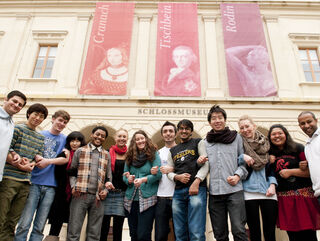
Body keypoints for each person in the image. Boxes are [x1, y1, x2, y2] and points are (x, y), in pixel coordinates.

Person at [15, 110, 71, 241]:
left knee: (40, 225)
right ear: (53, 119)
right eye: (60, 120)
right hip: (34, 182)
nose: (61, 124)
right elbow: (30, 152)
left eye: (64, 122)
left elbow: (66, 159)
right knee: (25, 222)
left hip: (51, 186)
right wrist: (36, 157)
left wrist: (48, 161)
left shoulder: (64, 139)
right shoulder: (40, 135)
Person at [0, 103, 47, 241]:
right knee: (1, 216)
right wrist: (21, 164)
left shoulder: (40, 138)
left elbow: (36, 157)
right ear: (29, 114)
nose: (37, 118)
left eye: (41, 116)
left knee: (12, 221)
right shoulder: (16, 129)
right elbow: (5, 150)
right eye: (35, 114)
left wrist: (31, 164)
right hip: (9, 179)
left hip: (26, 182)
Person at [203, 105, 248, 241]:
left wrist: (237, 175)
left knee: (239, 230)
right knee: (219, 234)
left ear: (225, 120)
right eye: (214, 118)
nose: (217, 121)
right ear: (210, 122)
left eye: (220, 118)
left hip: (234, 191)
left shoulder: (237, 138)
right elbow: (203, 166)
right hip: (215, 194)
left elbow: (244, 162)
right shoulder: (205, 142)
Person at [268, 124, 320, 241]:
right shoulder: (269, 153)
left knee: (308, 234)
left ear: (285, 134)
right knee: (292, 235)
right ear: (269, 137)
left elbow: (310, 171)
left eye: (280, 133)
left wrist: (291, 172)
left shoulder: (298, 148)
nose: (277, 136)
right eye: (273, 134)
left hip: (303, 197)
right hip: (283, 199)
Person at [167, 119, 209, 241]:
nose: (184, 131)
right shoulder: (173, 150)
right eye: (181, 128)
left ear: (191, 131)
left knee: (196, 231)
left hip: (196, 190)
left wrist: (196, 182)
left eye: (187, 129)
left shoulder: (198, 142)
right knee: (179, 232)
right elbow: (169, 172)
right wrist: (177, 177)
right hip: (178, 192)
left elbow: (206, 164)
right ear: (178, 131)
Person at [67, 126, 111, 241]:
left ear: (104, 139)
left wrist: (106, 191)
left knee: (94, 233)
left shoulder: (107, 154)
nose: (99, 137)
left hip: (98, 198)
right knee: (73, 231)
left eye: (103, 136)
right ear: (92, 135)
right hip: (79, 195)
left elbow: (108, 178)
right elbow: (72, 172)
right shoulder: (80, 151)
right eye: (97, 134)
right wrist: (73, 186)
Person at [238, 115, 277, 241]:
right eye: (242, 127)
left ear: (254, 126)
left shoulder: (266, 143)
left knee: (270, 231)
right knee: (254, 231)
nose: (245, 129)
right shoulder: (239, 144)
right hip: (248, 192)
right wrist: (242, 157)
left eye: (247, 126)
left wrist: (272, 185)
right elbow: (232, 161)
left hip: (268, 191)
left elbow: (271, 168)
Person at [45, 131, 86, 241]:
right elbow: (57, 173)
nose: (75, 143)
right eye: (72, 140)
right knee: (56, 222)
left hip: (77, 194)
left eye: (78, 141)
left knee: (74, 223)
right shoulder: (64, 154)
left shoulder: (85, 157)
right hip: (62, 193)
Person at [123, 130, 161, 241]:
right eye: (137, 139)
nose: (140, 141)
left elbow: (158, 174)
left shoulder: (153, 154)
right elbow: (125, 175)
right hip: (131, 199)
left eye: (142, 138)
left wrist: (143, 180)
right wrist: (128, 179)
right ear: (134, 142)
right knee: (133, 233)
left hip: (148, 199)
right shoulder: (129, 156)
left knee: (143, 234)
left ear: (146, 139)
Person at [100, 129, 129, 241]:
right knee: (104, 227)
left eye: (124, 136)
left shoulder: (130, 155)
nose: (122, 138)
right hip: (107, 193)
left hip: (122, 194)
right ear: (115, 138)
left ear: (127, 138)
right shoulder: (107, 153)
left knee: (118, 227)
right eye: (120, 136)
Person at [152, 121, 176, 241]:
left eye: (171, 131)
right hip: (161, 197)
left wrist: (173, 169)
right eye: (165, 131)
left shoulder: (182, 150)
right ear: (162, 135)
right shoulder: (158, 153)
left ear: (175, 134)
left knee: (180, 233)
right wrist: (153, 172)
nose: (168, 134)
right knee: (160, 234)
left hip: (179, 197)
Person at [0, 90, 27, 181]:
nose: (16, 105)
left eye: (20, 105)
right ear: (5, 100)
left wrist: (13, 152)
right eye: (14, 101)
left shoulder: (11, 123)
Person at [298, 111, 320, 206]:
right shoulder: (307, 145)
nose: (306, 126)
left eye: (309, 121)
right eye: (303, 124)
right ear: (299, 126)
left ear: (316, 120)